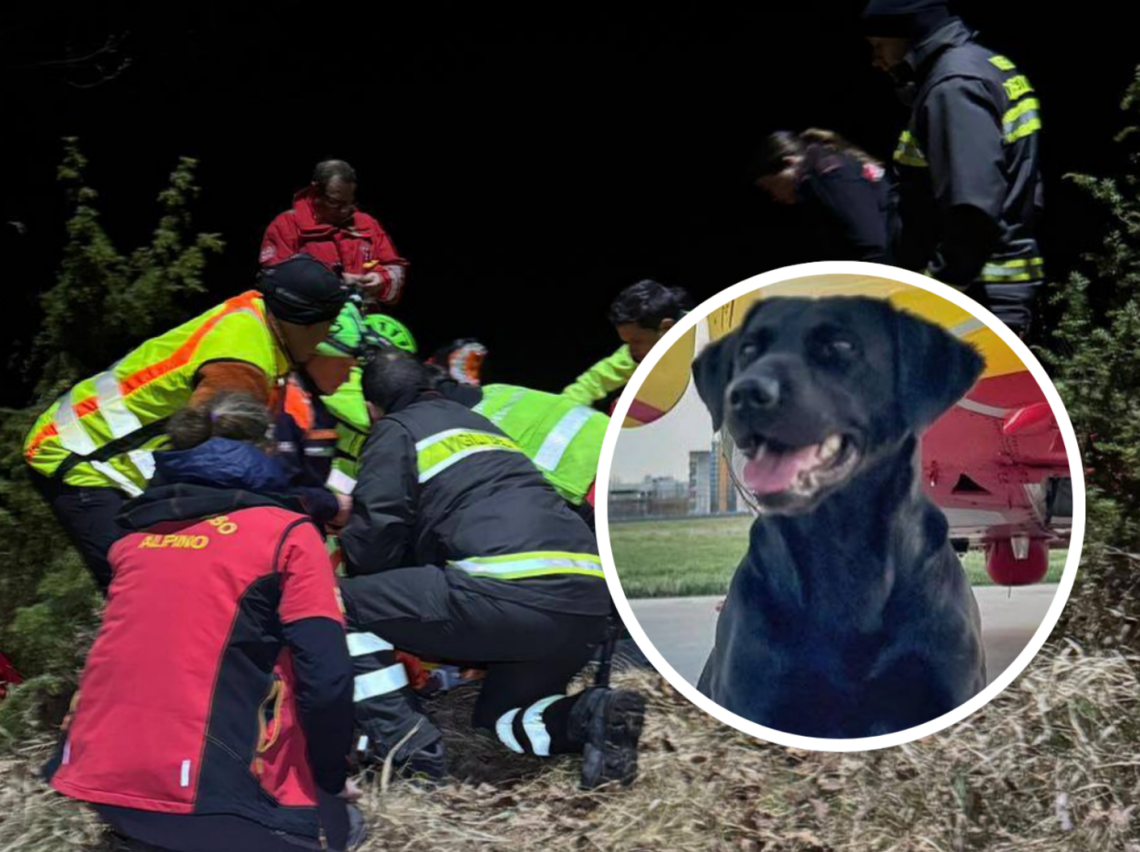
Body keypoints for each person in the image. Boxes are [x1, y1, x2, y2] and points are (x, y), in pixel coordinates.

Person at [44, 392, 363, 852]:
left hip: (104, 788)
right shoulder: (287, 534)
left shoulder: (135, 540)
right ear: (268, 450)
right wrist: (329, 780)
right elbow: (327, 677)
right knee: (344, 830)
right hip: (221, 802)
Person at [338, 353, 644, 789]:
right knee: (501, 721)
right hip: (585, 603)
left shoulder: (397, 429)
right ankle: (584, 715)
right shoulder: (484, 426)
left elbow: (374, 536)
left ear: (372, 408)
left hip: (507, 593)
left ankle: (408, 751)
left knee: (337, 605)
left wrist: (383, 591)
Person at [23, 255, 348, 591]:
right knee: (143, 592)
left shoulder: (255, 319)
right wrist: (319, 505)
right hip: (81, 453)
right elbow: (213, 465)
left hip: (102, 452)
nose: (325, 337)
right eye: (329, 325)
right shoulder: (241, 364)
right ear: (308, 322)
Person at [862, 0, 1045, 337]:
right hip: (994, 288)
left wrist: (937, 292)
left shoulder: (952, 85)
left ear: (909, 36)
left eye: (878, 46)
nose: (876, 60)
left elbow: (972, 210)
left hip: (974, 299)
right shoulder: (986, 63)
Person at [260, 160, 409, 306]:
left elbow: (395, 268)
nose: (345, 210)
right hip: (311, 325)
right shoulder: (286, 226)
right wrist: (335, 284)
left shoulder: (368, 224)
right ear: (315, 192)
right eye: (335, 203)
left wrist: (381, 280)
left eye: (349, 202)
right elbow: (274, 282)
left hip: (362, 323)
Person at [751, 128, 889, 263]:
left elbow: (871, 243)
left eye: (771, 186)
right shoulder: (817, 185)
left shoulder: (829, 176)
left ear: (789, 163)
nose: (774, 196)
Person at [562, 280, 692, 408]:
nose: (630, 350)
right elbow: (594, 381)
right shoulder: (637, 352)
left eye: (636, 341)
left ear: (666, 328)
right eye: (627, 342)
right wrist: (561, 407)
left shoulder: (707, 340)